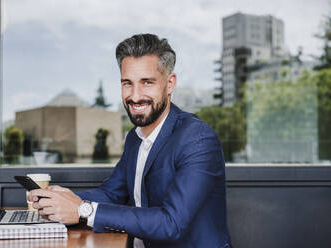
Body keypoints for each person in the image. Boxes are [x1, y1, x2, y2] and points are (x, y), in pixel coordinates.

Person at [28, 33, 232, 248]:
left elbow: (171, 223)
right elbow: (112, 193)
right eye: (127, 83)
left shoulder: (197, 139)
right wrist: (62, 200)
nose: (135, 96)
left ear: (170, 84)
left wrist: (82, 210)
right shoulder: (136, 137)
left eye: (147, 82)